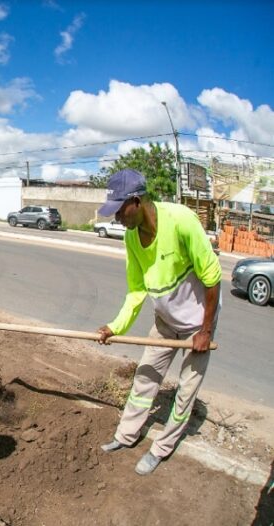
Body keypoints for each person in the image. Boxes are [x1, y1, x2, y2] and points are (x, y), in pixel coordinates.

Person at [95, 169, 221, 476]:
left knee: (185, 391)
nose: (116, 219)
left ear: (136, 202)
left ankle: (161, 448)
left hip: (196, 325)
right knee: (146, 376)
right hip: (165, 322)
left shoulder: (181, 221)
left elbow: (213, 279)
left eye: (119, 211)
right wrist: (116, 327)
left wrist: (204, 331)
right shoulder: (130, 237)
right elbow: (137, 289)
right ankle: (126, 435)